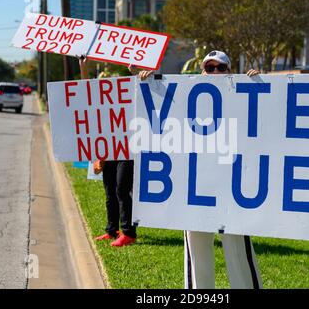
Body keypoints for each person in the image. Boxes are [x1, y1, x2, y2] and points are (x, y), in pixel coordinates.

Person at [137, 50, 262, 289]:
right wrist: (149, 83)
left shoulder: (242, 92)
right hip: (194, 186)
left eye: (220, 67)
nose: (215, 72)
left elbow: (264, 122)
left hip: (231, 186)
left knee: (237, 248)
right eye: (210, 67)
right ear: (202, 70)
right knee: (197, 249)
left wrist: (260, 85)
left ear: (230, 70)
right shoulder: (186, 93)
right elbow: (163, 111)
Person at [78, 56, 137, 247]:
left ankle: (128, 232)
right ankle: (112, 230)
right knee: (110, 190)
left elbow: (144, 92)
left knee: (121, 188)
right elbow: (86, 91)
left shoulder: (130, 99)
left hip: (127, 149)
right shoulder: (101, 104)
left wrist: (135, 73)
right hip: (109, 149)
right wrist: (83, 67)